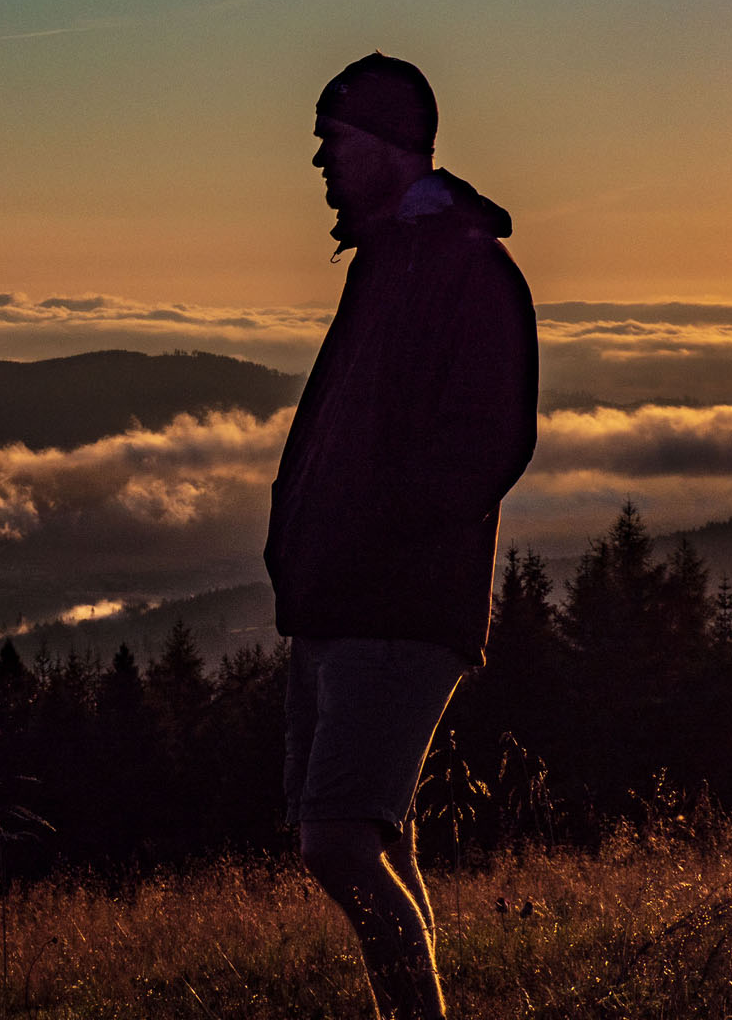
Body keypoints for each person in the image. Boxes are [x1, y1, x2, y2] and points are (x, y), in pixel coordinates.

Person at [265, 52, 539, 1019]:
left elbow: (492, 439)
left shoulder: (463, 268)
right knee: (369, 838)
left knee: (336, 836)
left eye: (330, 141)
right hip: (340, 602)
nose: (319, 164)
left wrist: (372, 537)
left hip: (394, 604)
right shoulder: (390, 261)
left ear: (382, 144)